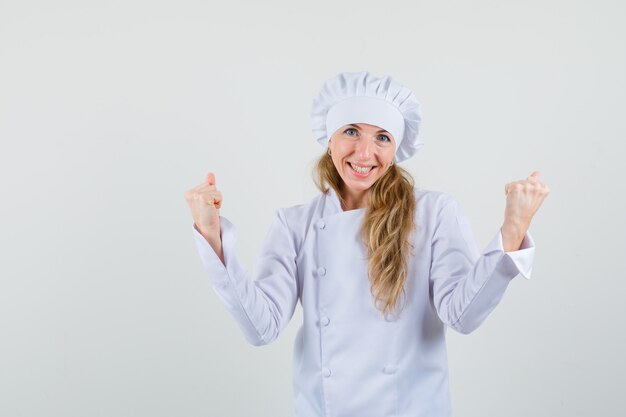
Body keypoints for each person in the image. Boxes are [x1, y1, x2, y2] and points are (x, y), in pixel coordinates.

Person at [184, 71, 550, 417]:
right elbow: (260, 328)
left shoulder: (435, 213)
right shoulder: (294, 224)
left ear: (395, 150)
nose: (364, 153)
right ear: (329, 140)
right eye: (352, 131)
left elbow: (463, 316)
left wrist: (513, 228)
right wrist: (212, 235)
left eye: (382, 137)